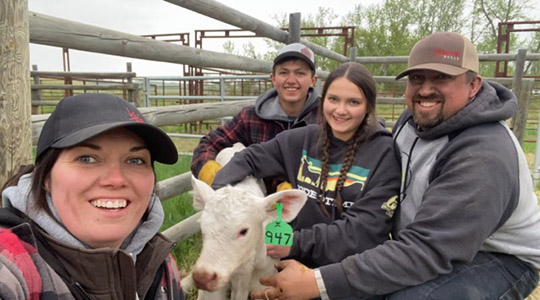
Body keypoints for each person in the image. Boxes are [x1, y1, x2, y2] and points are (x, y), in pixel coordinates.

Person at [250, 32, 540, 300]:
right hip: (422, 240)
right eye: (417, 78)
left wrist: (317, 282)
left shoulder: (482, 155)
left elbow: (428, 250)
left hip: (497, 256)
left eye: (441, 77)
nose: (425, 90)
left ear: (473, 85)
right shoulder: (413, 120)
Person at [211, 62, 401, 270]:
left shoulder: (384, 153)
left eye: (354, 102)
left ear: (368, 107)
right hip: (296, 262)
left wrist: (295, 242)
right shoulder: (303, 140)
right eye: (333, 99)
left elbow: (362, 232)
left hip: (350, 272)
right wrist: (217, 199)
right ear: (323, 100)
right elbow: (249, 158)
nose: (340, 110)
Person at [0, 93, 184, 299]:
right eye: (87, 158)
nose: (115, 179)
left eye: (135, 160)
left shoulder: (159, 264)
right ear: (46, 178)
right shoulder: (13, 265)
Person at [191, 42, 319, 191]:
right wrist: (211, 173)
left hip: (309, 205)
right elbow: (208, 144)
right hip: (257, 205)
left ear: (313, 80)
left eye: (300, 73)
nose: (291, 80)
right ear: (273, 78)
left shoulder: (324, 119)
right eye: (284, 72)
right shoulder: (251, 118)